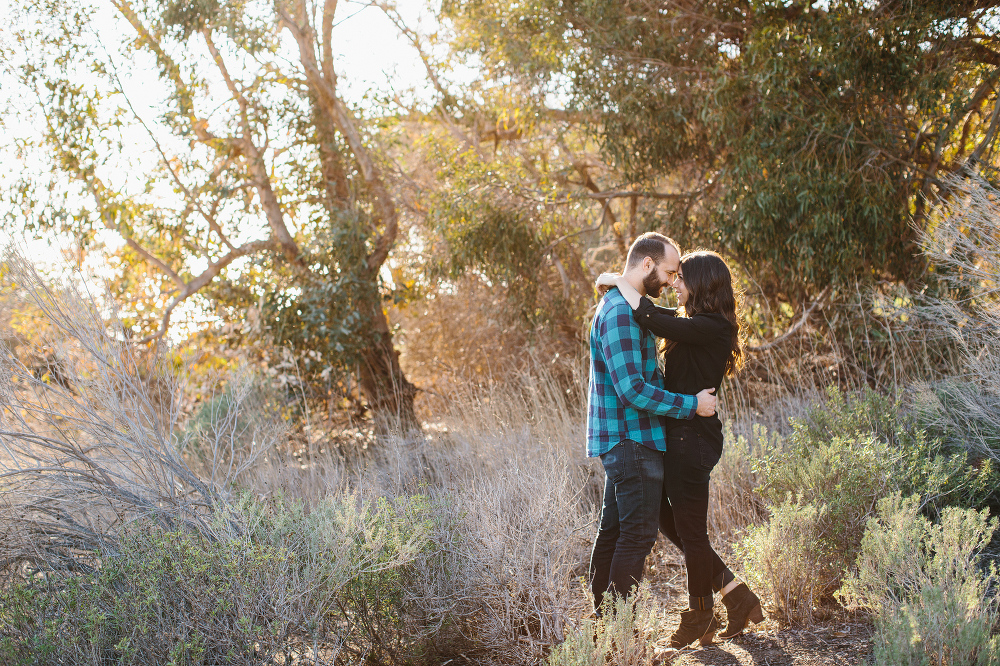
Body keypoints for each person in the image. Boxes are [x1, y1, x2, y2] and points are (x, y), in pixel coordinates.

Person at [597, 251, 765, 648]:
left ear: (702, 283)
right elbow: (657, 316)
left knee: (691, 533)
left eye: (681, 277)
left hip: (694, 440)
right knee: (670, 521)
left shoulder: (712, 326)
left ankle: (699, 615)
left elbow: (650, 318)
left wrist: (620, 282)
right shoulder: (694, 322)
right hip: (680, 437)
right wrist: (617, 279)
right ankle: (738, 597)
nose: (675, 282)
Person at [587, 232, 718, 616]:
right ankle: (614, 630)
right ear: (647, 264)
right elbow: (633, 391)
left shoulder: (625, 307)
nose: (671, 280)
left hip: (629, 439)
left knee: (612, 533)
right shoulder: (620, 315)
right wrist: (691, 405)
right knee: (636, 538)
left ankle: (604, 630)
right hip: (633, 439)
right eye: (668, 271)